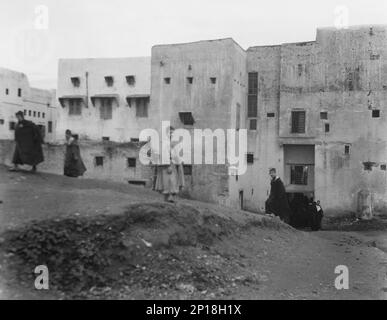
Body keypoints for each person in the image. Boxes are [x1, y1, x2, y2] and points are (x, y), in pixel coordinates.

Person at [154, 126, 185, 202]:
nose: (171, 135)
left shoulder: (175, 143)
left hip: (173, 164)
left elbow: (177, 153)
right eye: (169, 133)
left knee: (173, 181)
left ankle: (171, 197)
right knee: (167, 181)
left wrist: (178, 159)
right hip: (166, 164)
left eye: (172, 133)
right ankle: (167, 198)